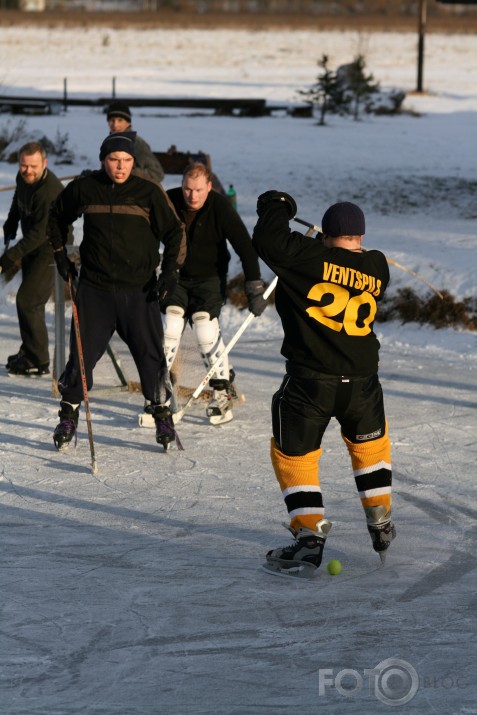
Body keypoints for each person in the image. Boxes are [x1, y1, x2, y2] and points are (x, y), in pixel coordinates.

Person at [252, 192, 395, 575]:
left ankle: (309, 537)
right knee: (370, 450)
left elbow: (268, 240)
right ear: (361, 236)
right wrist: (322, 247)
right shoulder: (378, 266)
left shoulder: (307, 259)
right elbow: (340, 263)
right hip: (363, 381)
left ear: (326, 233)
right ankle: (380, 518)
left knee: (295, 457)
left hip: (311, 382)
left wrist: (278, 205)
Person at [47, 131, 186, 451]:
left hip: (139, 290)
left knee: (150, 356)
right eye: (113, 160)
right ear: (103, 160)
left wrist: (170, 272)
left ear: (134, 162)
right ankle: (68, 414)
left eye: (126, 161)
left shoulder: (148, 191)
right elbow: (56, 216)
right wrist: (60, 254)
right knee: (81, 357)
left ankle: (162, 412)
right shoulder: (85, 187)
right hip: (94, 290)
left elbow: (175, 232)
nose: (120, 166)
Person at [159, 161, 268, 425]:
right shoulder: (169, 201)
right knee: (170, 326)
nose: (192, 196)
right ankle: (161, 391)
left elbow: (245, 246)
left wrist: (254, 287)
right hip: (175, 277)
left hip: (209, 279)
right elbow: (146, 235)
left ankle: (222, 391)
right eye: (187, 189)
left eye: (198, 189)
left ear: (209, 186)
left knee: (204, 329)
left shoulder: (220, 207)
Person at [0, 141, 71, 376]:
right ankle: (29, 350)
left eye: (33, 166)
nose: (27, 171)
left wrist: (11, 256)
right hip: (33, 244)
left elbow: (40, 233)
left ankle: (38, 360)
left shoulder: (49, 191)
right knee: (28, 302)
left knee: (29, 300)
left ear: (44, 164)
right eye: (23, 165)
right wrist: (11, 222)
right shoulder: (24, 178)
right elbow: (17, 201)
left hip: (52, 247)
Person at [105, 100, 165, 185]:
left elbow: (157, 174)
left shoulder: (136, 143)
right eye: (112, 120)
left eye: (120, 120)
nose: (115, 124)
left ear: (128, 123)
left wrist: (129, 172)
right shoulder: (109, 143)